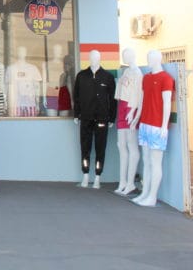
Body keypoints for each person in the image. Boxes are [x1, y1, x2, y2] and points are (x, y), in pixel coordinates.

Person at [133, 50, 175, 207]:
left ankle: (152, 196)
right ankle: (145, 193)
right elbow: (142, 100)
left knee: (155, 162)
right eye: (147, 57)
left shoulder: (166, 79)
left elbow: (167, 103)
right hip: (145, 124)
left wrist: (164, 125)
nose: (148, 60)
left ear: (158, 59)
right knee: (146, 160)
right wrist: (137, 117)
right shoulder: (146, 78)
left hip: (157, 126)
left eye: (150, 58)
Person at [73, 50, 116, 189]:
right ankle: (85, 174)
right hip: (85, 118)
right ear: (89, 58)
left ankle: (98, 176)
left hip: (102, 119)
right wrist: (76, 114)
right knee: (85, 147)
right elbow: (76, 97)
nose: (94, 59)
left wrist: (112, 118)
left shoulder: (108, 77)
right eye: (91, 57)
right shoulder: (81, 76)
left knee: (100, 148)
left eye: (96, 57)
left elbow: (113, 99)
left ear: (100, 58)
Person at [114, 48, 143, 196]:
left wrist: (134, 112)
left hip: (131, 109)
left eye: (127, 55)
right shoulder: (126, 72)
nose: (125, 57)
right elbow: (120, 91)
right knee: (121, 145)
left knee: (132, 145)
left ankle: (130, 183)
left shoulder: (138, 73)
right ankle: (123, 181)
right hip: (122, 107)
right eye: (123, 55)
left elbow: (139, 95)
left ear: (133, 55)